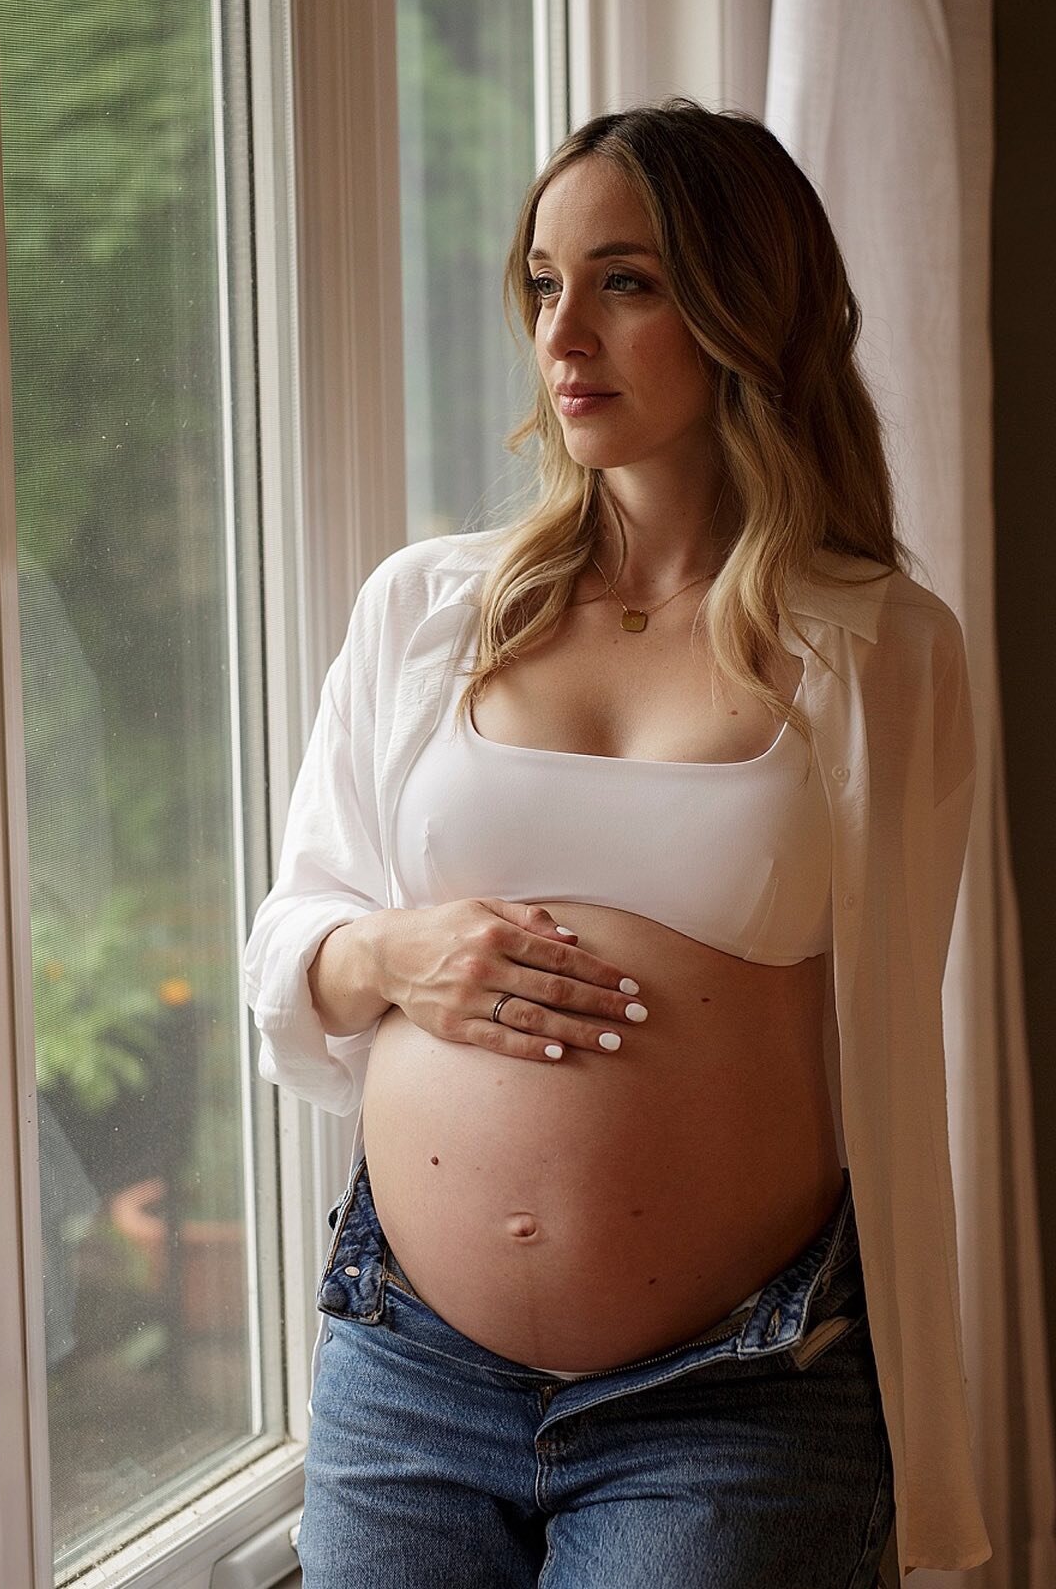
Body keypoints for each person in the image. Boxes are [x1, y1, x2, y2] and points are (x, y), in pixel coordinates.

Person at [241, 97, 992, 1587]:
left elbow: (893, 1058)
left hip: (730, 1399)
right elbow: (291, 941)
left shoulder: (879, 654)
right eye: (543, 282)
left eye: (626, 281)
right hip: (409, 1375)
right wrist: (393, 954)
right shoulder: (427, 611)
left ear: (743, 308)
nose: (564, 332)